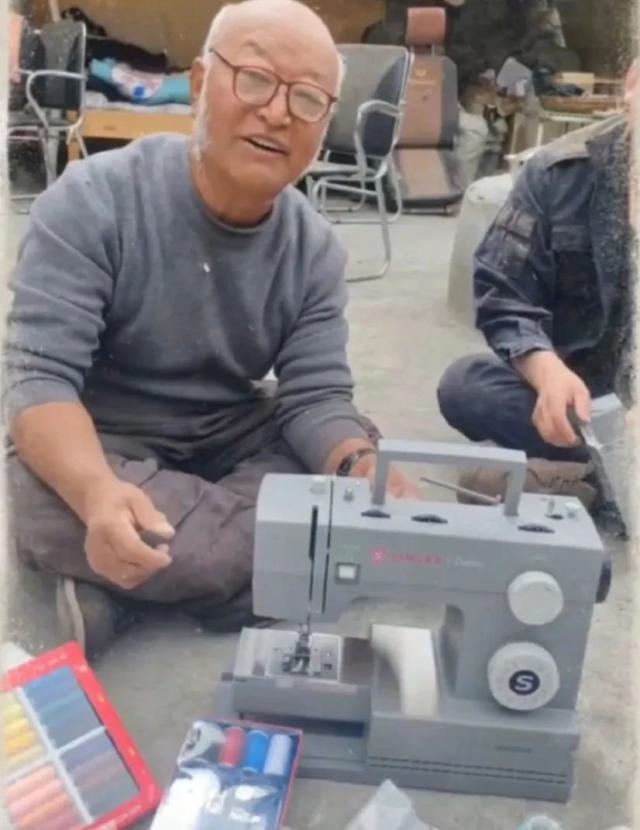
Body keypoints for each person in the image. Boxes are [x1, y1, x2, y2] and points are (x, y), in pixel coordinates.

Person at [4, 0, 416, 660]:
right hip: (105, 437)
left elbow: (315, 398)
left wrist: (359, 466)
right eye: (255, 80)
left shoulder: (313, 250)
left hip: (227, 431)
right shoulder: (94, 200)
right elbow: (38, 381)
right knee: (43, 489)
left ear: (324, 123)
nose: (277, 113)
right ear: (200, 84)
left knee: (353, 454)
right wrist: (98, 493)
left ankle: (125, 583)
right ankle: (274, 563)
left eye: (308, 99)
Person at [437, 59, 638, 510]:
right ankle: (613, 477)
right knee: (466, 387)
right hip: (585, 395)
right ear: (631, 87)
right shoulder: (558, 173)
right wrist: (546, 372)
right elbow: (502, 288)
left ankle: (584, 483)